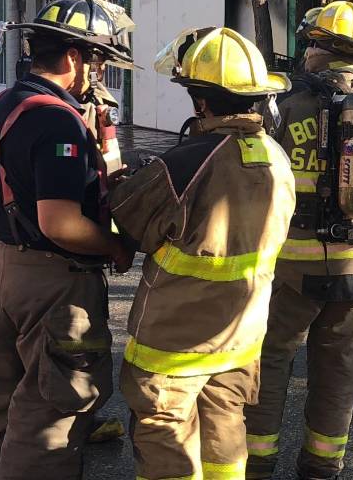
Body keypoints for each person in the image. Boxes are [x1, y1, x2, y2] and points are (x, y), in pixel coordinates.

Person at [112, 26, 295, 480]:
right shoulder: (277, 158)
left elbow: (130, 222)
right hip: (240, 337)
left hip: (174, 343)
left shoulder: (185, 163)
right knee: (224, 435)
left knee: (166, 439)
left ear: (200, 101)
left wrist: (118, 174)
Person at [244, 1, 353, 480]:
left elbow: (252, 180)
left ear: (317, 48)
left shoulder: (278, 109)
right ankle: (322, 466)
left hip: (290, 269)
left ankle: (257, 463)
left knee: (270, 361)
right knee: (340, 369)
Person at [0, 0, 137, 480]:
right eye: (99, 62)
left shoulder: (8, 103)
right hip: (54, 285)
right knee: (50, 422)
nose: (100, 75)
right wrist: (114, 246)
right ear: (73, 57)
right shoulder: (56, 120)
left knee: (10, 413)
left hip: (8, 272)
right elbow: (60, 222)